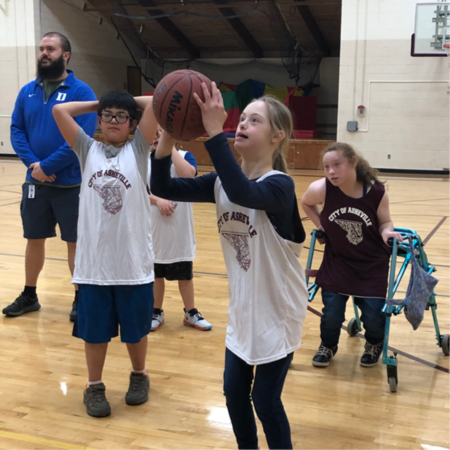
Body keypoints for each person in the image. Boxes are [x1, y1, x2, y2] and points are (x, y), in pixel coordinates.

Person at [151, 84, 308, 450]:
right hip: (243, 308)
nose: (243, 124)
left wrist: (214, 131)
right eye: (243, 118)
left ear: (276, 137)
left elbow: (244, 193)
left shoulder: (280, 186)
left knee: (265, 401)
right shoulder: (222, 183)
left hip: (279, 311)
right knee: (233, 394)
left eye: (255, 121)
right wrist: (168, 137)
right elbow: (162, 185)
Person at [52, 91, 157, 417]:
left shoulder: (139, 149)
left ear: (132, 124)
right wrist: (101, 103)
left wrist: (123, 98)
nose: (113, 120)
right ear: (98, 120)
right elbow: (59, 110)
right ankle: (93, 385)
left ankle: (139, 376)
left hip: (133, 263)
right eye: (107, 115)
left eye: (120, 116)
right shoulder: (87, 148)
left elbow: (156, 102)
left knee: (136, 330)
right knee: (94, 331)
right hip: (94, 265)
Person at [4, 32, 97, 321]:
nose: (44, 53)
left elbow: (82, 137)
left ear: (65, 55)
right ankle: (30, 294)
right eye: (42, 48)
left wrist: (49, 167)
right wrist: (35, 165)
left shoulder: (82, 93)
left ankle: (81, 297)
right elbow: (17, 130)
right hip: (35, 182)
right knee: (34, 238)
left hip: (71, 184)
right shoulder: (27, 91)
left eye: (50, 49)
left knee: (75, 242)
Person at [300, 142, 403, 368]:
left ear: (353, 163)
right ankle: (328, 345)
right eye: (327, 167)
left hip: (371, 264)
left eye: (337, 165)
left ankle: (374, 343)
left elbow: (385, 221)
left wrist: (387, 232)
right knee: (331, 314)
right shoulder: (322, 188)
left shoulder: (375, 192)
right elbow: (306, 203)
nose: (331, 172)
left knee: (374, 317)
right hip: (338, 261)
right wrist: (321, 225)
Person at [149, 126, 212, 331]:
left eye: (161, 133)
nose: (157, 137)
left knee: (185, 275)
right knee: (156, 274)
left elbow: (189, 175)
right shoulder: (142, 159)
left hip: (179, 231)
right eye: (154, 133)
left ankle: (190, 312)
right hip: (154, 231)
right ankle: (156, 311)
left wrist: (169, 145)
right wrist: (158, 201)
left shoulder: (185, 156)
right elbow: (138, 191)